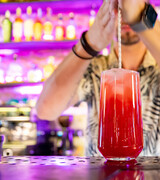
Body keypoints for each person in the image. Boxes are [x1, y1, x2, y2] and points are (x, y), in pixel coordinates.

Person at [36, 0, 160, 156]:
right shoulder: (95, 69)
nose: (125, 17)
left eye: (129, 8)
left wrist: (141, 17)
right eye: (117, 9)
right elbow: (45, 110)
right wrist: (90, 43)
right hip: (100, 176)